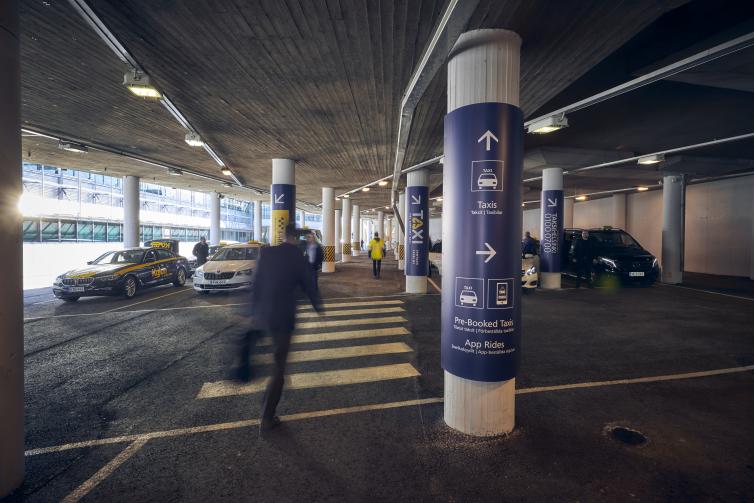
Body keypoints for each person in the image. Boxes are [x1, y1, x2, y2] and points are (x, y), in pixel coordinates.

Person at [235, 224, 322, 434]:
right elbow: (309, 284)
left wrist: (249, 312)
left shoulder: (266, 252)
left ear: (283, 236)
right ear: (297, 237)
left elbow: (255, 283)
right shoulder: (297, 256)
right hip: (283, 318)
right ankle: (267, 417)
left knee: (269, 360)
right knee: (279, 366)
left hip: (261, 314)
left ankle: (267, 396)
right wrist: (319, 307)